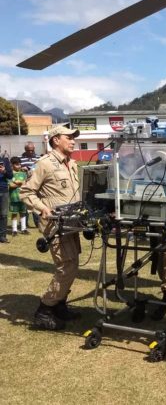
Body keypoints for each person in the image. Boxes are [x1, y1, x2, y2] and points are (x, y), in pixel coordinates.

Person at [20, 126, 82, 330]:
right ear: (56, 140)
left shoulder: (71, 163)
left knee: (73, 264)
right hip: (55, 225)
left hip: (71, 223)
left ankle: (59, 304)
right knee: (67, 266)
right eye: (68, 137)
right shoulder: (45, 163)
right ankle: (45, 310)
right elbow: (26, 192)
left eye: (73, 138)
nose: (73, 141)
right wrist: (42, 208)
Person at [20, 142, 41, 228]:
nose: (31, 152)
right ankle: (24, 224)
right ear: (25, 150)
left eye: (32, 150)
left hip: (36, 184)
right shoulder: (20, 158)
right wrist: (21, 168)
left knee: (36, 203)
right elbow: (15, 168)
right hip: (24, 185)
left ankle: (38, 223)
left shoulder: (39, 158)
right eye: (28, 150)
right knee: (25, 204)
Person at [8, 157, 29, 236]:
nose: (19, 166)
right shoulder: (10, 174)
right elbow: (11, 185)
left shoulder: (23, 174)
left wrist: (17, 182)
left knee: (23, 213)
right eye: (17, 164)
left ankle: (23, 229)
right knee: (14, 213)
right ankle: (14, 230)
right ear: (12, 165)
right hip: (14, 197)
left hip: (22, 197)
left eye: (20, 164)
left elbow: (25, 184)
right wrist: (20, 183)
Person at [0, 156, 13, 243]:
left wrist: (4, 171)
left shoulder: (5, 161)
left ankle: (2, 236)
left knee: (3, 214)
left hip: (3, 190)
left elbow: (10, 176)